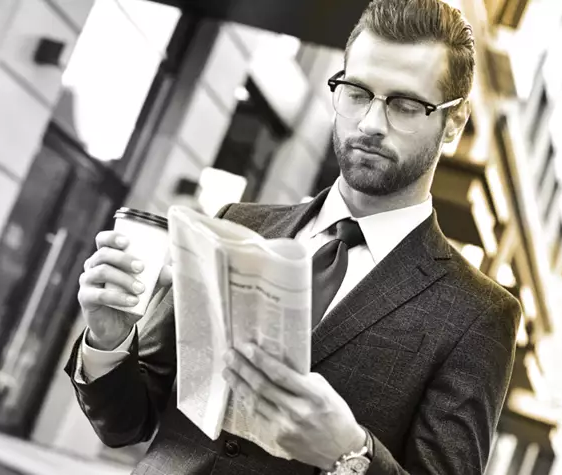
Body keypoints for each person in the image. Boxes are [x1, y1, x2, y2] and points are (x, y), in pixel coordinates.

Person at [65, 0, 521, 473]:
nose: (369, 124)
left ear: (454, 121)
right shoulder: (236, 224)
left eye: (405, 105)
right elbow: (126, 423)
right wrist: (110, 339)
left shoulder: (479, 315)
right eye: (357, 93)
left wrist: (351, 453)